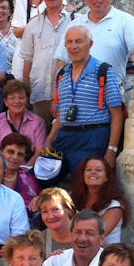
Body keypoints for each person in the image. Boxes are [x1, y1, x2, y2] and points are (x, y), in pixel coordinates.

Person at [45, 25, 123, 178]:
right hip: (65, 138)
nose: (73, 46)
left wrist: (111, 151)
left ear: (90, 44)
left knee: (83, 187)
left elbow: (117, 114)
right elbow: (62, 114)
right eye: (69, 42)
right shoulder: (62, 74)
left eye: (79, 41)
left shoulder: (104, 71)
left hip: (93, 138)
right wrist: (49, 139)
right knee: (45, 180)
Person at [20, 0, 74, 127]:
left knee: (63, 139)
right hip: (39, 93)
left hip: (68, 94)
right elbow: (27, 60)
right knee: (40, 139)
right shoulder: (33, 24)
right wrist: (27, 93)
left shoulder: (76, 21)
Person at [70, 156, 129, 245]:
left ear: (106, 178)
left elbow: (95, 236)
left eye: (98, 170)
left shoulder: (114, 206)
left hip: (106, 256)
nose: (93, 172)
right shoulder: (72, 197)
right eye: (89, 169)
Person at [0, 80, 46, 166]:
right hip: (2, 169)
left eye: (21, 97)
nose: (17, 101)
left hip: (28, 169)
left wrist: (25, 171)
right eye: (12, 98)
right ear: (5, 101)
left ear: (27, 100)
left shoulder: (38, 122)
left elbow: (40, 151)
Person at [0, 133, 41, 215]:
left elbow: (37, 206)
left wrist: (39, 201)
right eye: (11, 152)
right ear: (1, 151)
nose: (15, 157)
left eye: (20, 154)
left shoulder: (30, 181)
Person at [35, 187, 75, 256]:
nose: (50, 216)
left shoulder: (86, 235)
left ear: (69, 210)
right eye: (45, 212)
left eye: (56, 209)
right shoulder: (37, 241)